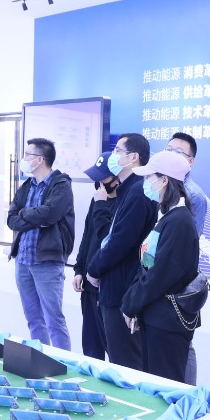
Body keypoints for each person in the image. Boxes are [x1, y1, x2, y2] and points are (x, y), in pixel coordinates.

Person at [120, 150, 199, 382]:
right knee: (153, 381)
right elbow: (148, 265)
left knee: (165, 385)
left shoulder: (179, 222)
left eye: (149, 177)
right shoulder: (167, 216)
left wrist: (130, 304)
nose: (145, 182)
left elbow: (160, 275)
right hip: (155, 316)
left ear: (164, 180)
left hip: (167, 322)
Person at [86, 133, 158, 371]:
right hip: (117, 285)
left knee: (126, 364)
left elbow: (120, 241)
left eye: (118, 150)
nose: (113, 155)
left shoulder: (138, 191)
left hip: (122, 289)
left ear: (133, 157)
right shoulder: (129, 189)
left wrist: (94, 269)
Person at [7, 138, 75, 350]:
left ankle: (63, 362)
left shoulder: (61, 185)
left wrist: (25, 214)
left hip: (47, 261)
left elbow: (50, 214)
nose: (23, 159)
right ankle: (40, 358)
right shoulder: (27, 186)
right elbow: (11, 219)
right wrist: (35, 218)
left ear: (40, 159)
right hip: (23, 260)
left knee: (54, 319)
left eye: (27, 155)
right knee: (33, 318)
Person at [165, 132, 207, 386]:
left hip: (180, 278)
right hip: (159, 272)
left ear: (190, 161)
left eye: (177, 152)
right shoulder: (163, 185)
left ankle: (189, 391)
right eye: (168, 149)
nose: (170, 154)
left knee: (183, 338)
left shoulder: (194, 195)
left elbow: (189, 242)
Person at [72, 151, 119, 360]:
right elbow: (88, 235)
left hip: (107, 285)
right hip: (88, 284)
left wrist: (101, 205)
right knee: (91, 346)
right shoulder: (98, 199)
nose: (99, 183)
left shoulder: (124, 204)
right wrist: (79, 269)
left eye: (103, 178)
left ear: (117, 178)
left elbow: (109, 240)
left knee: (113, 346)